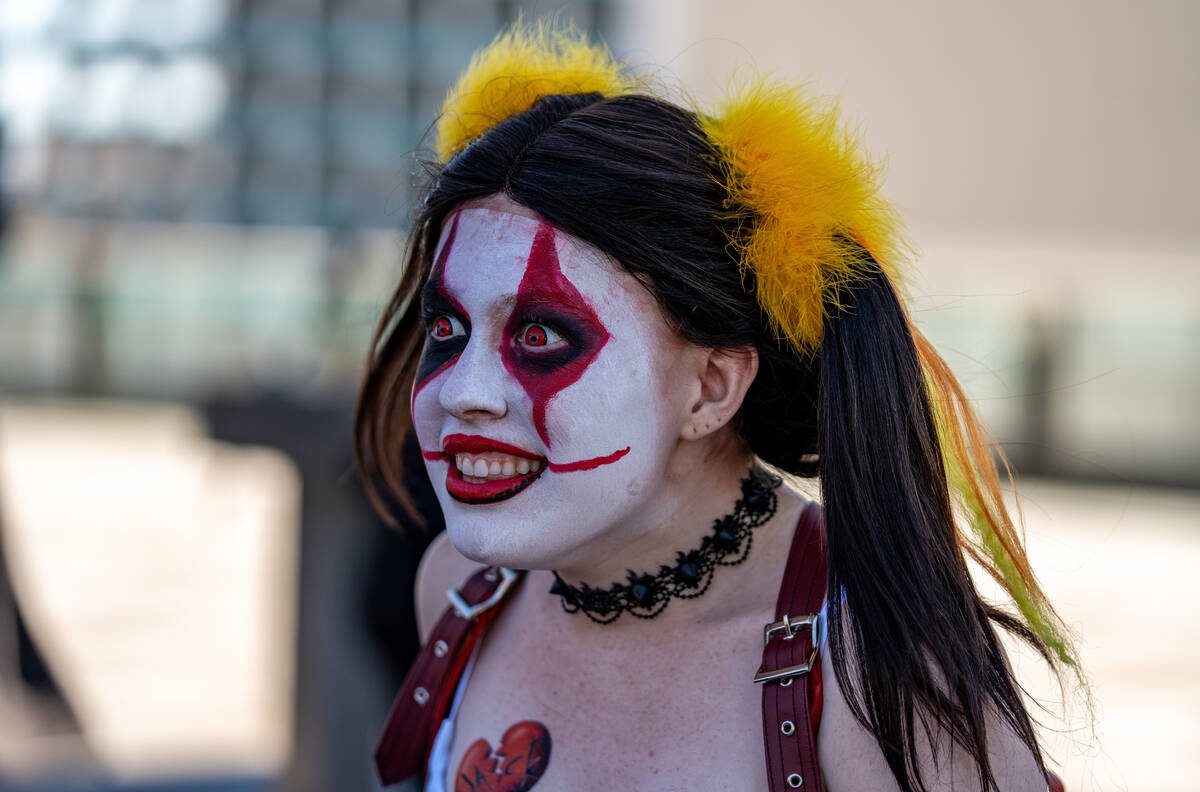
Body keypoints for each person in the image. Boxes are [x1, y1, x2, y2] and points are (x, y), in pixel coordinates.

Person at [356, 23, 1078, 792]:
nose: (461, 391)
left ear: (711, 388)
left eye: (539, 336)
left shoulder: (879, 675)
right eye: (447, 329)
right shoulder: (460, 593)